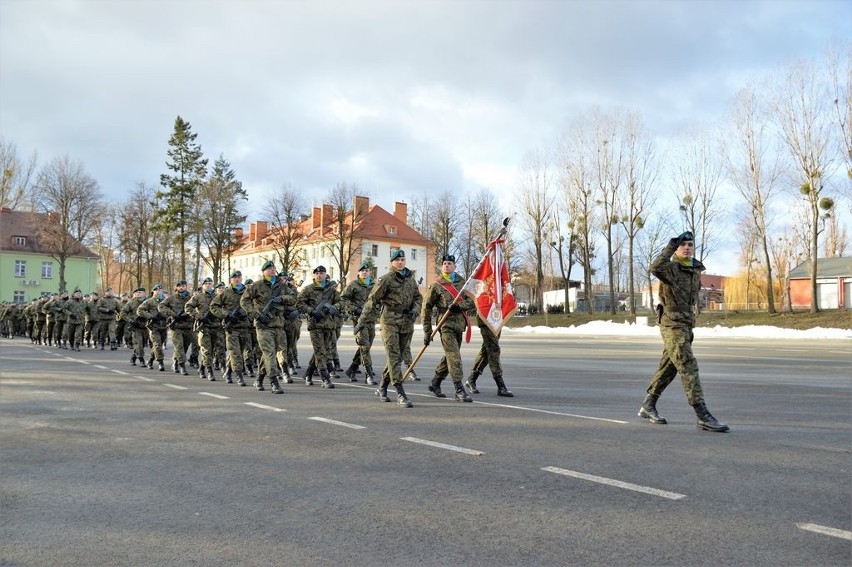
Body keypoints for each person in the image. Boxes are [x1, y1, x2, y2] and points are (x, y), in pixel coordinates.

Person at [638, 231, 729, 432]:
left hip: (686, 325)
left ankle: (648, 404)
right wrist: (670, 245)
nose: (687, 247)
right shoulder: (670, 268)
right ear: (676, 249)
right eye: (683, 245)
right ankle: (702, 414)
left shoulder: (695, 270)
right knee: (688, 366)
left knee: (669, 367)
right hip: (671, 325)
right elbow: (655, 267)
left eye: (690, 244)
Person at [356, 249, 421, 408]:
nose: (400, 262)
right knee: (393, 355)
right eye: (397, 260)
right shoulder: (386, 279)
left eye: (402, 259)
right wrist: (362, 321)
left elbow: (418, 298)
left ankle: (383, 387)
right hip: (389, 321)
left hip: (406, 322)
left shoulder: (410, 280)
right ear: (392, 263)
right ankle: (399, 391)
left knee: (398, 357)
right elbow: (372, 300)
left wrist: (415, 310)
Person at [422, 254, 474, 403]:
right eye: (444, 263)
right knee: (454, 356)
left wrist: (459, 306)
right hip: (445, 325)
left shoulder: (462, 282)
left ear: (455, 266)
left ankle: (436, 382)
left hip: (459, 324)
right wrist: (427, 331)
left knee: (451, 356)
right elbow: (426, 308)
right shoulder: (437, 285)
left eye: (449, 263)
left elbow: (472, 301)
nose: (446, 265)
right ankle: (459, 389)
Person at [240, 260, 296, 393]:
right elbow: (244, 301)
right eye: (269, 268)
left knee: (271, 353)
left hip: (278, 324)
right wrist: (256, 314)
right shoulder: (257, 286)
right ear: (263, 272)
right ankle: (274, 382)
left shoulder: (281, 286)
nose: (272, 270)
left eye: (273, 268)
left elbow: (293, 297)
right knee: (270, 353)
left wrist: (281, 299)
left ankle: (259, 378)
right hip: (263, 325)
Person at [296, 265, 342, 389]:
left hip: (329, 325)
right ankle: (325, 378)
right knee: (320, 352)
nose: (319, 275)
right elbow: (299, 303)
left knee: (322, 351)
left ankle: (308, 374)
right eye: (316, 273)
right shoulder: (308, 289)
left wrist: (335, 307)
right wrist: (311, 311)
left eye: (321, 273)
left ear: (325, 275)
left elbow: (341, 301)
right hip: (315, 325)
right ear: (314, 275)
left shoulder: (331, 290)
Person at [210, 270, 251, 386]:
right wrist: (226, 315)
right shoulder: (226, 293)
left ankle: (228, 371)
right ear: (231, 279)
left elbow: (256, 305)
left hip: (244, 327)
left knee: (240, 352)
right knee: (235, 352)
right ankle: (239, 375)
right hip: (231, 328)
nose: (237, 279)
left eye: (239, 277)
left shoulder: (248, 292)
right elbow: (213, 306)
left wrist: (247, 312)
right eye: (234, 277)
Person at [341, 261, 379, 385]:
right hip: (358, 320)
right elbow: (343, 299)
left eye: (366, 271)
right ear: (358, 272)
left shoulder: (374, 285)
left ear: (369, 272)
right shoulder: (353, 285)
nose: (364, 272)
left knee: (367, 345)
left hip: (371, 319)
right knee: (364, 346)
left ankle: (352, 368)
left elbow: (379, 300)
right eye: (362, 270)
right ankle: (368, 373)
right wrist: (354, 309)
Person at [465, 314, 514, 397]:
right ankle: (501, 385)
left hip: (495, 319)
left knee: (486, 351)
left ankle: (472, 379)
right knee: (493, 350)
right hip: (486, 320)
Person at [186, 278, 220, 381]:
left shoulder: (218, 297)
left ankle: (201, 367)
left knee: (213, 350)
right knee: (206, 350)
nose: (209, 285)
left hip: (216, 326)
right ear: (203, 285)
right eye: (206, 284)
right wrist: (199, 316)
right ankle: (209, 371)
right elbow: (188, 307)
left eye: (210, 283)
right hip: (204, 327)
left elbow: (225, 308)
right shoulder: (198, 297)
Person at [159, 280, 194, 375]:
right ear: (177, 287)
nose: (181, 287)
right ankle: (182, 365)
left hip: (188, 326)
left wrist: (190, 314)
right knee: (179, 346)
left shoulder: (192, 298)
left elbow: (197, 308)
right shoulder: (172, 298)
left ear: (186, 287)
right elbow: (161, 306)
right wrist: (173, 314)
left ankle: (175, 361)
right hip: (176, 327)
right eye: (179, 286)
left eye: (183, 286)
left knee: (185, 347)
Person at [137, 284, 169, 371]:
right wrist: (150, 316)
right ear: (153, 291)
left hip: (164, 326)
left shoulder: (166, 301)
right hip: (153, 327)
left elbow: (171, 311)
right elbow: (139, 310)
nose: (158, 291)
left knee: (157, 345)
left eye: (160, 290)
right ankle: (160, 362)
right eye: (156, 290)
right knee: (157, 345)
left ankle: (151, 359)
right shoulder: (149, 301)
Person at [121, 287, 148, 366]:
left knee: (142, 344)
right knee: (138, 343)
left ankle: (134, 356)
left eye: (140, 292)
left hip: (147, 326)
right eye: (136, 292)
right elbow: (123, 313)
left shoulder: (148, 301)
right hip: (136, 327)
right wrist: (131, 321)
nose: (138, 294)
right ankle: (141, 359)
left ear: (144, 293)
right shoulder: (131, 302)